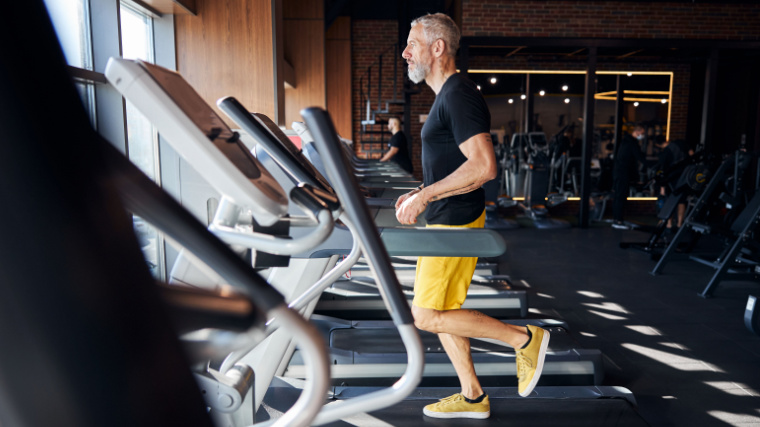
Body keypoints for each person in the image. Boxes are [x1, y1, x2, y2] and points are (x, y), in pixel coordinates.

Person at [395, 13, 550, 419]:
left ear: (438, 47)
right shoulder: (447, 95)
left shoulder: (458, 94)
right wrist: (421, 192)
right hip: (446, 218)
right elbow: (454, 165)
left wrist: (425, 196)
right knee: (443, 313)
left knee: (426, 316)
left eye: (412, 43)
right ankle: (472, 396)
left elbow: (483, 166)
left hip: (453, 224)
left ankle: (524, 339)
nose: (405, 51)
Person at [612, 124, 647, 229]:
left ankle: (617, 220)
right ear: (638, 131)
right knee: (621, 196)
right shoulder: (631, 143)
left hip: (620, 173)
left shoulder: (626, 142)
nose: (643, 135)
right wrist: (652, 165)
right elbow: (640, 157)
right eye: (643, 133)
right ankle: (618, 221)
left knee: (619, 196)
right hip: (623, 173)